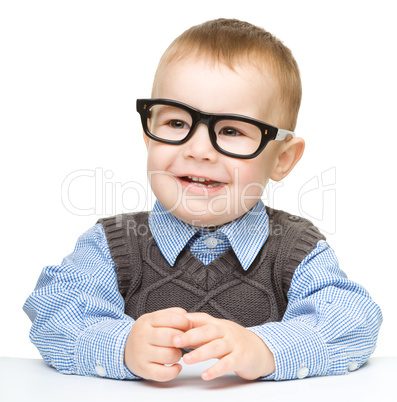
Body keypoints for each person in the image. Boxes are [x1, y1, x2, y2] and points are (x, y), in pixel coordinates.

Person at [23, 18, 382, 382]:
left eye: (230, 130)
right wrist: (121, 346)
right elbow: (55, 307)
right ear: (149, 138)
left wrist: (266, 349)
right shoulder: (113, 244)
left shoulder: (296, 250)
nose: (198, 150)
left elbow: (353, 319)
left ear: (282, 158)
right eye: (177, 123)